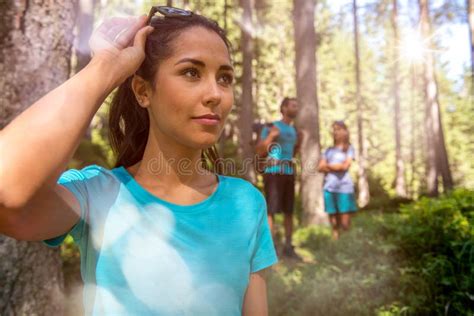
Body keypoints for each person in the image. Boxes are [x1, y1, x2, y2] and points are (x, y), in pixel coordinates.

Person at [0, 6, 277, 315]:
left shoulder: (247, 203)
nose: (215, 94)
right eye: (191, 72)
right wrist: (104, 67)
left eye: (224, 78)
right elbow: (6, 188)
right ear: (143, 91)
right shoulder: (96, 195)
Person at [255, 97, 301, 259]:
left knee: (289, 211)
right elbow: (260, 150)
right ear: (284, 108)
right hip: (273, 172)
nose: (296, 108)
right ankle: (271, 247)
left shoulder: (295, 130)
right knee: (271, 211)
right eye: (293, 106)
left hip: (288, 173)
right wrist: (271, 136)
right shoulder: (272, 127)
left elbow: (294, 150)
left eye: (297, 106)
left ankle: (288, 247)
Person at [318, 120, 358, 240]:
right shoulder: (328, 150)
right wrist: (337, 166)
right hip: (329, 188)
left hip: (344, 188)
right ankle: (336, 245)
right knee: (333, 222)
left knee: (345, 223)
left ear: (345, 131)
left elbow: (345, 166)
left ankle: (347, 245)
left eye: (339, 129)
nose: (336, 132)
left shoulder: (349, 149)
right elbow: (320, 167)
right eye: (334, 129)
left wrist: (329, 166)